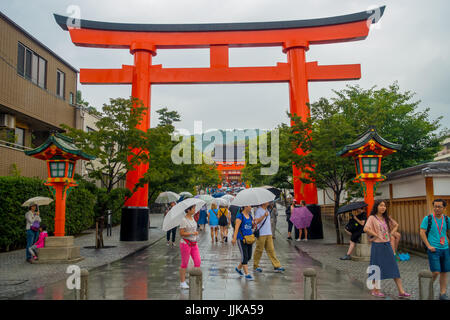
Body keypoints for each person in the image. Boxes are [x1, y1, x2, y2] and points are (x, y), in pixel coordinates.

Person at [363, 200, 410, 298]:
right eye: (381, 205)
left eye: (384, 206)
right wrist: (375, 234)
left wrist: (391, 233)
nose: (383, 207)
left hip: (387, 244)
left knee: (394, 267)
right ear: (376, 206)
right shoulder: (372, 218)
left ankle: (401, 291)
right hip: (377, 246)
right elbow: (366, 229)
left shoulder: (386, 218)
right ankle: (375, 290)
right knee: (376, 268)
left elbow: (396, 225)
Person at [419, 198, 449, 300]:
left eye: (439, 207)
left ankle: (442, 293)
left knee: (444, 272)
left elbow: (446, 232)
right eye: (435, 206)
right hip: (433, 249)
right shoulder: (428, 219)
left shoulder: (447, 219)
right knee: (436, 271)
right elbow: (422, 232)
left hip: (445, 248)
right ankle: (427, 286)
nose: (437, 209)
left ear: (444, 208)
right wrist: (428, 245)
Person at [232, 205, 269, 281]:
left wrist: (263, 217)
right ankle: (247, 274)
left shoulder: (250, 216)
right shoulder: (240, 216)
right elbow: (236, 228)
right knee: (244, 256)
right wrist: (234, 238)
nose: (251, 207)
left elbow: (253, 224)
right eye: (249, 206)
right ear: (245, 207)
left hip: (249, 239)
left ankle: (238, 268)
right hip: (242, 239)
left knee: (248, 257)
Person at [253, 202, 285, 273]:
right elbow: (256, 221)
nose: (268, 202)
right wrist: (264, 215)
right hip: (261, 233)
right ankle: (256, 266)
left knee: (271, 250)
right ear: (263, 203)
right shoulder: (258, 210)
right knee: (259, 250)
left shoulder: (267, 210)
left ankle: (277, 266)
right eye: (267, 201)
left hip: (268, 233)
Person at [179, 205, 201, 289]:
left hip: (194, 243)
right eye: (193, 208)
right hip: (185, 243)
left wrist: (194, 233)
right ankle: (182, 282)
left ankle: (197, 280)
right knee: (184, 263)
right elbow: (181, 233)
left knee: (197, 261)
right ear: (188, 210)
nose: (195, 209)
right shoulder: (184, 220)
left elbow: (193, 230)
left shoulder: (193, 218)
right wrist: (192, 233)